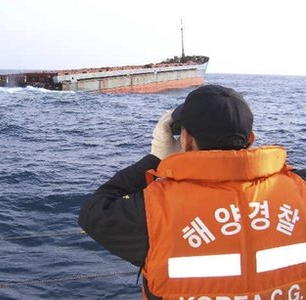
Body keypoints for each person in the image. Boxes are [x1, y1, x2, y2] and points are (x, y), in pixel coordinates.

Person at [78, 85, 306, 299]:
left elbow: (95, 211)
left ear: (186, 140)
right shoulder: (300, 189)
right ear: (251, 139)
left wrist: (156, 158)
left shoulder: (154, 210)